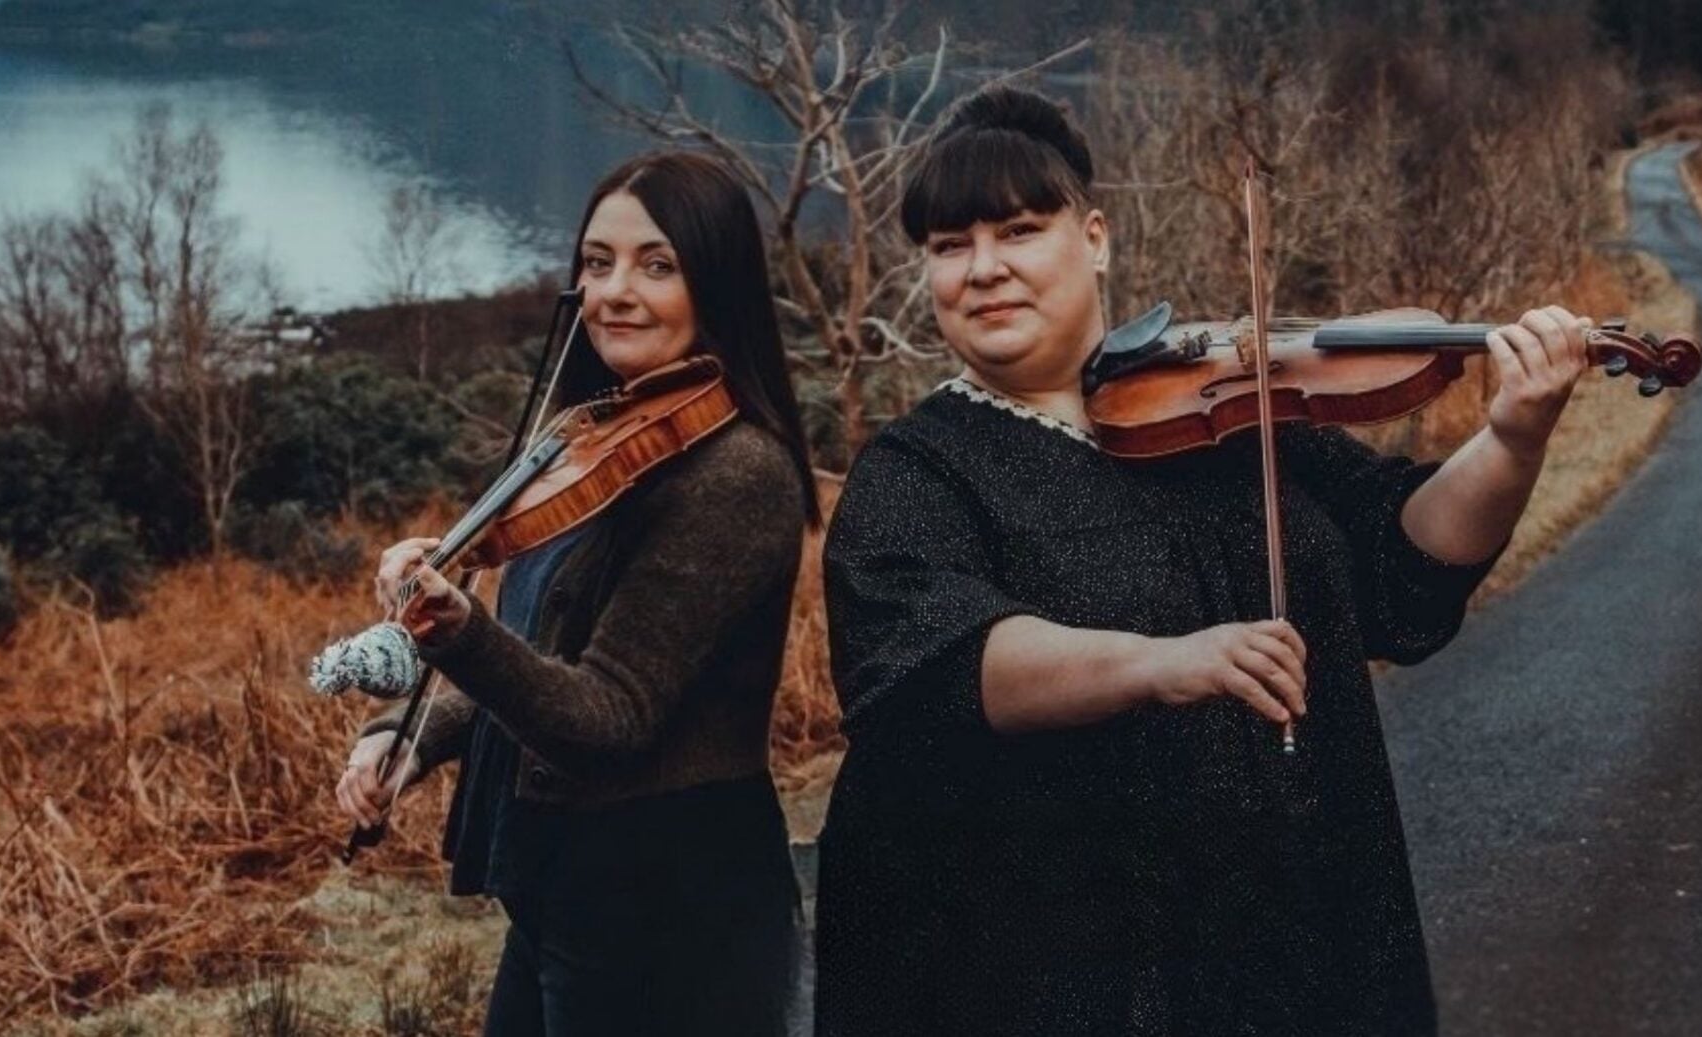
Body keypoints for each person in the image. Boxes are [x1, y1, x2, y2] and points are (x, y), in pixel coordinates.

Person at [814, 86, 1594, 1036]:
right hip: (1078, 971)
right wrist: (1161, 659)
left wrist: (1513, 441)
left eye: (1018, 230)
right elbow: (937, 665)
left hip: (1305, 933)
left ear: (1093, 236)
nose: (983, 270)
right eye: (949, 246)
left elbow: (1402, 557)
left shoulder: (1227, 406)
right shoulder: (918, 470)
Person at [334, 151, 818, 1037]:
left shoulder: (738, 473)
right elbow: (540, 651)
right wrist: (412, 739)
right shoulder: (594, 439)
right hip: (575, 884)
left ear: (718, 285)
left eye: (656, 265)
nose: (613, 292)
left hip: (670, 899)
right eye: (597, 263)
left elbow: (609, 716)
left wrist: (455, 627)